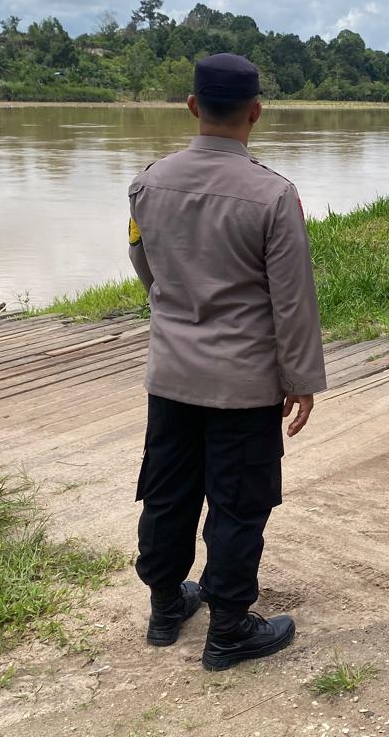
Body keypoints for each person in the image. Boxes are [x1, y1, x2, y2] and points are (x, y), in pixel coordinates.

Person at [127, 53, 327, 671]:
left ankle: (166, 608)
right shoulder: (274, 195)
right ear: (256, 113)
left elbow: (144, 268)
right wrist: (300, 380)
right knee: (239, 504)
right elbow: (291, 300)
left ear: (192, 107)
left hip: (172, 376)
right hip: (243, 385)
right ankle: (230, 630)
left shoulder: (147, 183)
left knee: (167, 494)